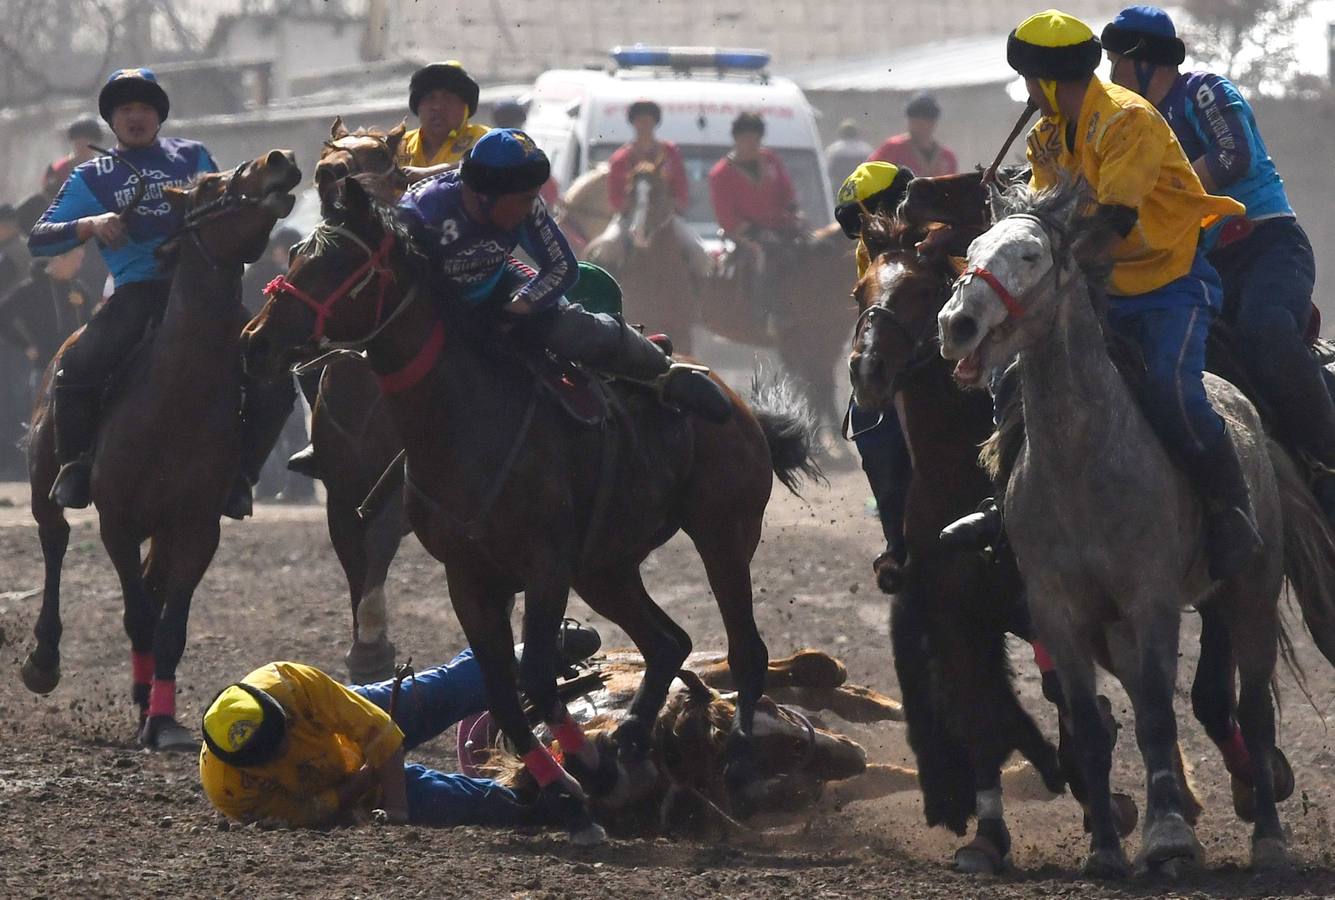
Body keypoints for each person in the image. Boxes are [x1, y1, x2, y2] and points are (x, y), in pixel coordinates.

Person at [941, 10, 1256, 581]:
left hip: (1168, 284)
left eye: (1030, 81)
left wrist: (1051, 276)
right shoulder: (1044, 137)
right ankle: (1006, 506)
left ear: (1050, 80)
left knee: (1170, 389)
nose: (1027, 93)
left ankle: (1231, 508)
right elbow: (1043, 223)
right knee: (1014, 375)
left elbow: (1111, 225)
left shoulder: (1127, 121)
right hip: (1094, 285)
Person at [1100, 6, 1335, 525]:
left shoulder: (1203, 89)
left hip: (1268, 245)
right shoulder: (1128, 124)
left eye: (1117, 62)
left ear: (1145, 62)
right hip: (1201, 266)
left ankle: (1328, 462)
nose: (1111, 74)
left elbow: (1233, 157)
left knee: (1264, 331)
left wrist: (1153, 194)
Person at [28, 67, 293, 518]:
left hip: (207, 294)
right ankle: (75, 467)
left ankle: (241, 477)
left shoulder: (193, 156)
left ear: (159, 115)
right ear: (112, 120)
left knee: (276, 378)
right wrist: (91, 224)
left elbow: (225, 211)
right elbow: (39, 240)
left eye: (145, 108)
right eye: (126, 109)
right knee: (76, 366)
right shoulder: (91, 176)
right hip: (137, 292)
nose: (136, 116)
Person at [397, 129, 732, 423]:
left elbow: (562, 267)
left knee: (571, 327)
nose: (531, 208)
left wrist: (522, 305)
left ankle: (662, 369)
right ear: (485, 195)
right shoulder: (420, 214)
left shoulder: (525, 203)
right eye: (524, 200)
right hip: (432, 303)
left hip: (498, 284)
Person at [200, 625, 602, 828]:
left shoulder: (289, 683)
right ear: (246, 767)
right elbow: (310, 812)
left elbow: (381, 730)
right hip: (346, 789)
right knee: (468, 806)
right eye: (273, 754)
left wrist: (396, 808)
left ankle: (525, 656)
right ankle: (542, 798)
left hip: (359, 724)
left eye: (283, 736)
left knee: (435, 695)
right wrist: (376, 791)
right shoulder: (231, 790)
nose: (286, 749)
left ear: (281, 711)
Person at [835, 161, 916, 590]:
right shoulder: (867, 251)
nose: (866, 232)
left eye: (871, 216)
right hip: (899, 357)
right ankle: (895, 540)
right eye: (859, 225)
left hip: (952, 347)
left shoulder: (942, 232)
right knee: (868, 421)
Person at [595, 99, 708, 276]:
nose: (644, 125)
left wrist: (673, 203)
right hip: (629, 217)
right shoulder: (620, 158)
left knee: (699, 252)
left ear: (655, 123)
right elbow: (615, 199)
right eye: (640, 120)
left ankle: (698, 292)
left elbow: (681, 188)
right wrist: (629, 203)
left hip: (666, 216)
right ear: (633, 123)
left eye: (648, 120)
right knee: (607, 247)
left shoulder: (670, 152)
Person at [708, 113, 802, 320]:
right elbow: (727, 217)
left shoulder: (770, 159)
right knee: (764, 257)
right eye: (746, 139)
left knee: (812, 248)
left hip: (782, 226)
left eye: (755, 139)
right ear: (736, 139)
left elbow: (786, 191)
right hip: (747, 234)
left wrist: (793, 212)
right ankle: (765, 313)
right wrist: (756, 232)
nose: (751, 144)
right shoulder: (720, 174)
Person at [0, 244, 90, 395]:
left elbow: (91, 322)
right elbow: (2, 317)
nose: (78, 266)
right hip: (45, 369)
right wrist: (25, 346)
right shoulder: (31, 289)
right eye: (75, 260)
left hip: (76, 369)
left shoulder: (79, 289)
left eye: (81, 260)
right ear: (59, 258)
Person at [396, 61, 489, 183]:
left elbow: (489, 164)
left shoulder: (484, 138)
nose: (437, 106)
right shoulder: (398, 145)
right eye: (429, 98)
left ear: (465, 107)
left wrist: (428, 174)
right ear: (417, 107)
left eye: (448, 98)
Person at [869, 93, 959, 177]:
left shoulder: (947, 158)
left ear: (934, 122)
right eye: (916, 120)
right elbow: (869, 174)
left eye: (926, 120)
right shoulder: (893, 149)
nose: (921, 125)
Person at [42, 117, 104, 199]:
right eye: (79, 142)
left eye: (88, 141)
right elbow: (48, 199)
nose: (83, 146)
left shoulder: (104, 170)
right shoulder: (58, 170)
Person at [825, 118, 874, 189]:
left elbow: (827, 169)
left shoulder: (834, 149)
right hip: (860, 187)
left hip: (839, 187)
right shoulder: (866, 149)